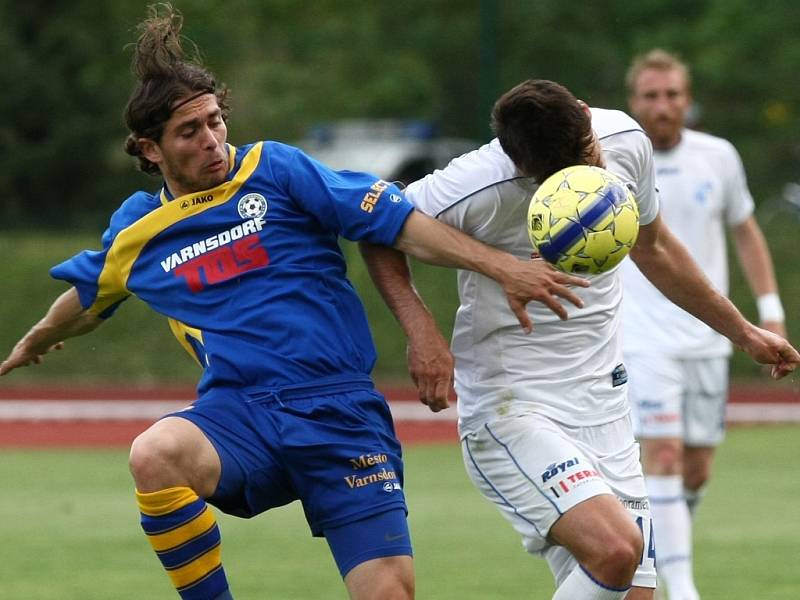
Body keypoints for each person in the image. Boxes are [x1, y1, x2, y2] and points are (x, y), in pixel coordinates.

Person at [0, 7, 591, 600]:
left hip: (340, 413)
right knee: (156, 454)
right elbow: (87, 298)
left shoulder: (276, 170)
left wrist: (501, 267)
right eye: (189, 132)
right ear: (149, 149)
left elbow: (397, 222)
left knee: (390, 594)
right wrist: (38, 339)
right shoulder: (138, 230)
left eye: (215, 121)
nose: (212, 140)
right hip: (242, 415)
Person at [359, 79, 798, 600]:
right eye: (565, 173)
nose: (592, 174)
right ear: (521, 166)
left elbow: (654, 249)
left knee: (632, 591)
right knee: (616, 549)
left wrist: (743, 331)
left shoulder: (625, 141)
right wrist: (424, 332)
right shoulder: (476, 184)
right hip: (514, 405)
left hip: (605, 403)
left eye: (590, 153)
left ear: (589, 117)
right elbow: (378, 229)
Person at [621, 49, 788, 600]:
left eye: (671, 95)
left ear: (687, 100)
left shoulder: (719, 156)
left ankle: (664, 552)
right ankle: (684, 587)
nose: (662, 106)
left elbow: (745, 230)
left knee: (695, 470)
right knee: (662, 455)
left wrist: (768, 308)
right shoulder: (614, 162)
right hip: (642, 335)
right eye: (650, 95)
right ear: (633, 102)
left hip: (710, 336)